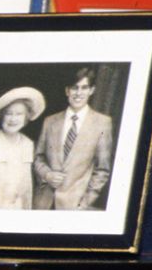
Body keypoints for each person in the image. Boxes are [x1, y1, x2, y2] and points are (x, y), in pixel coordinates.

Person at [33, 65, 113, 210]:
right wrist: (47, 175)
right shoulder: (50, 121)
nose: (78, 93)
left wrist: (85, 203)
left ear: (92, 90)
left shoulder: (102, 123)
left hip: (75, 206)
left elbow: (102, 170)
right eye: (74, 88)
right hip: (43, 203)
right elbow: (38, 157)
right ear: (67, 91)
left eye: (84, 88)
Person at [0, 86, 43, 209]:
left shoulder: (28, 144)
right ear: (1, 116)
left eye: (19, 114)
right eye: (8, 114)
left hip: (15, 208)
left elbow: (27, 186)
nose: (13, 119)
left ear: (26, 117)